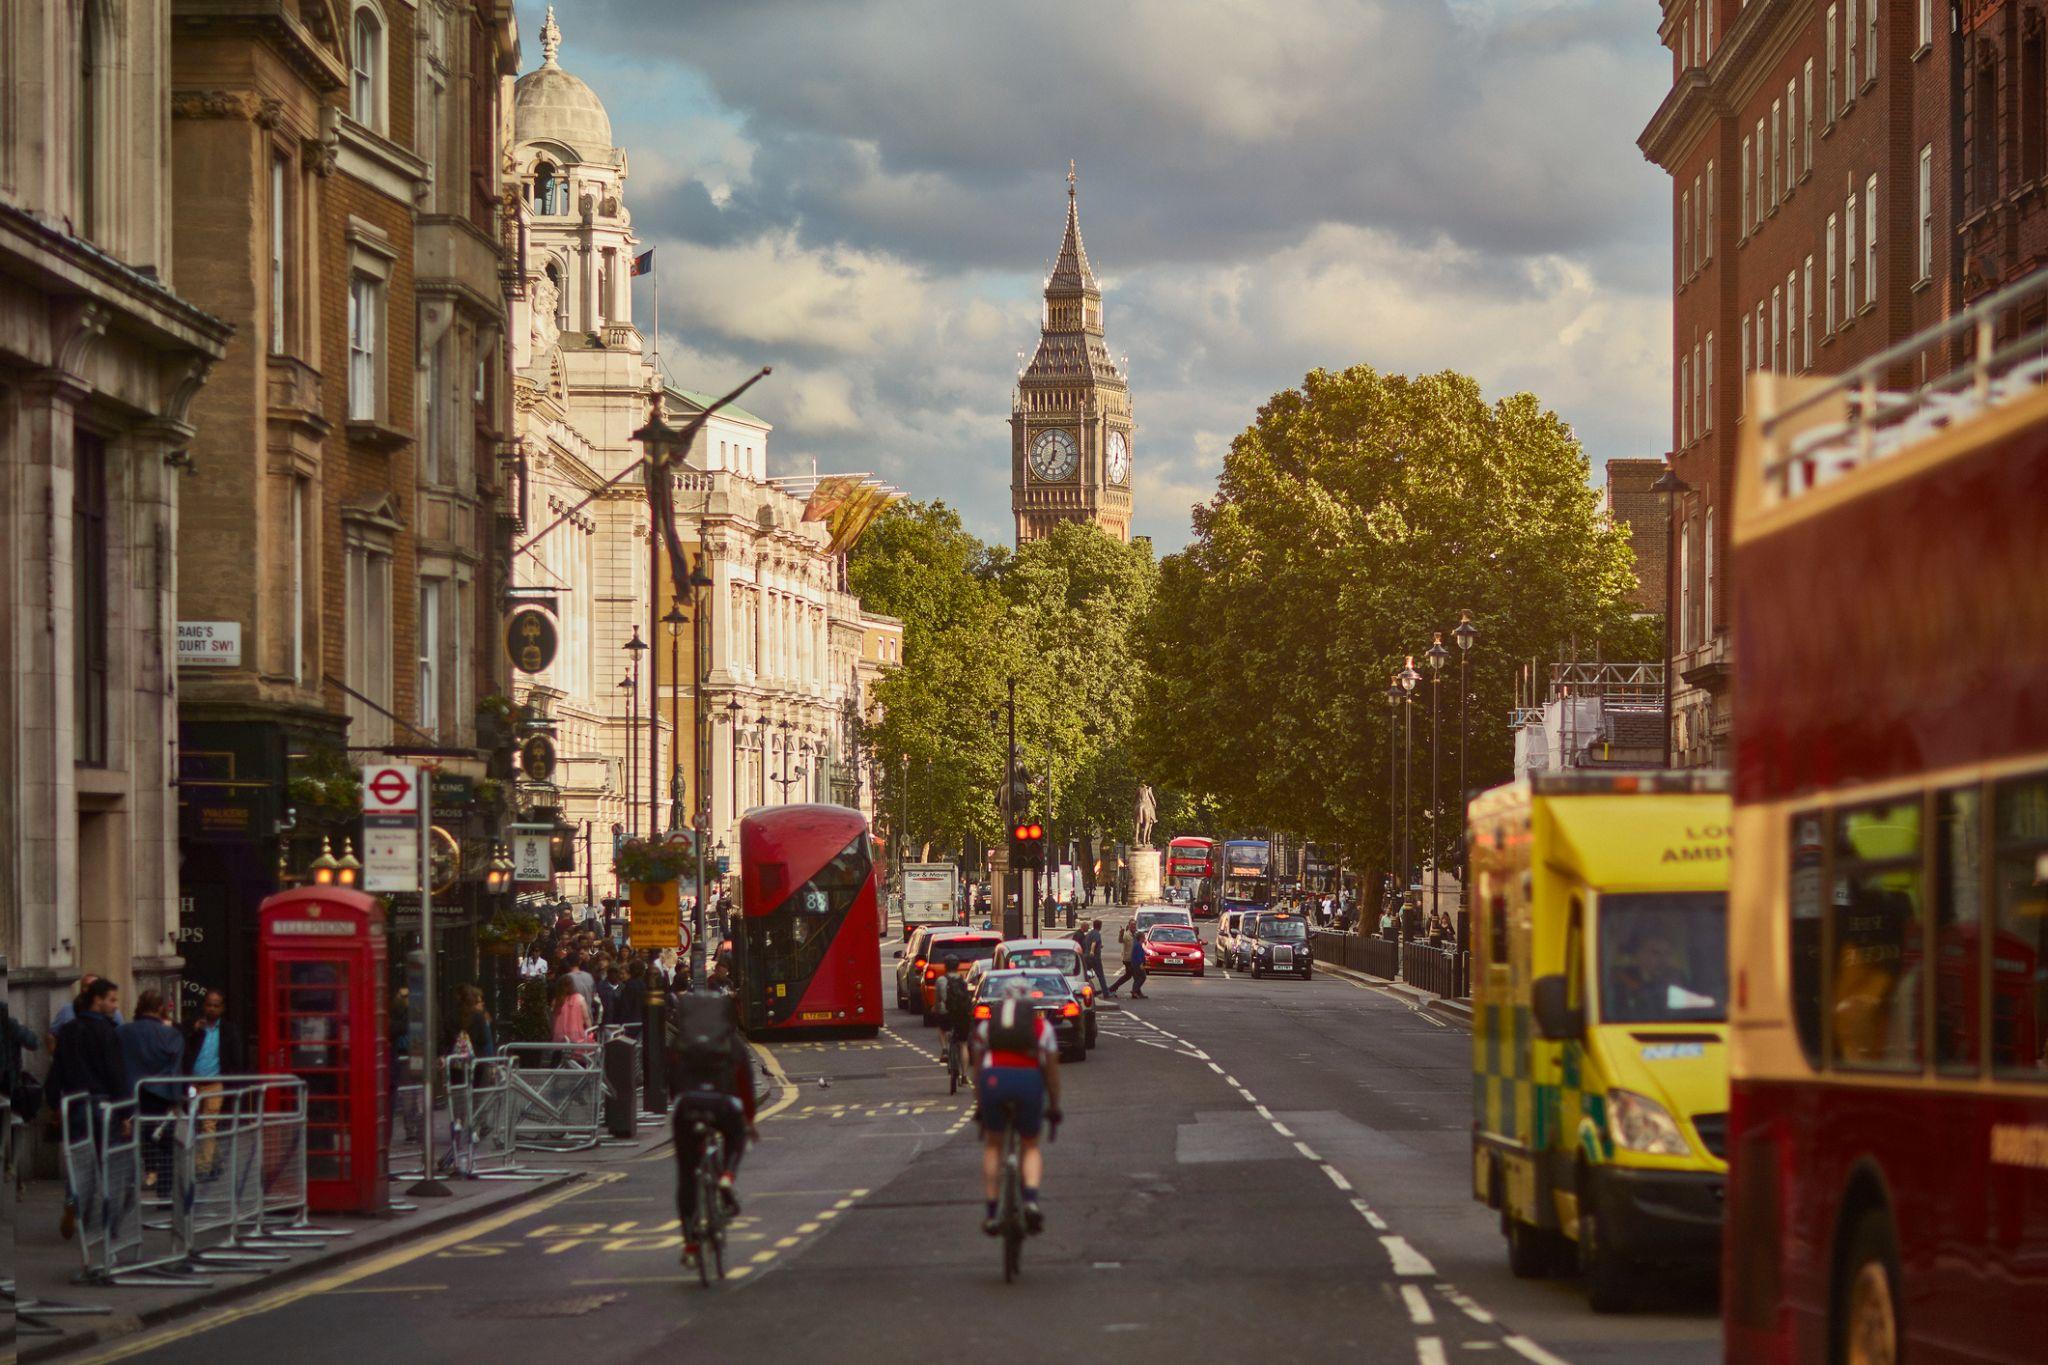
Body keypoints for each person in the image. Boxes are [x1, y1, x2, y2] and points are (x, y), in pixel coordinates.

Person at [668, 986, 758, 1267]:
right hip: (723, 1104)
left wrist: (681, 1100)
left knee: (686, 1175)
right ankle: (728, 1175)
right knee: (736, 1135)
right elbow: (746, 1085)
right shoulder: (732, 1042)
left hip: (688, 1106)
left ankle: (691, 1245)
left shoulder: (680, 1041)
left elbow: (669, 1079)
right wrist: (750, 1120)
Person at [972, 983, 1062, 1235]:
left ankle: (991, 1213)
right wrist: (1054, 1105)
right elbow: (1052, 1072)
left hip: (994, 1081)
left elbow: (977, 1071)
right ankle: (1030, 1200)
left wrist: (981, 1105)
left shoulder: (986, 1027)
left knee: (993, 1145)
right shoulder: (1042, 1027)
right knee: (1030, 1144)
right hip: (1028, 1081)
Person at [49, 978, 128, 1240]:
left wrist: (54, 1106)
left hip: (74, 1103)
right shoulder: (107, 1031)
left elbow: (56, 1071)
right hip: (103, 1102)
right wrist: (126, 1111)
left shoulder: (69, 1030)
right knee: (110, 1165)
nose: (115, 1006)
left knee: (79, 1162)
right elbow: (116, 1073)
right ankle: (108, 1225)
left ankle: (74, 1204)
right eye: (112, 1000)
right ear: (98, 1000)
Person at [934, 956, 972, 1079]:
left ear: (945, 966)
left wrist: (935, 1009)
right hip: (961, 1014)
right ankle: (965, 1075)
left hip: (947, 1013)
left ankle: (945, 1049)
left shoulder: (941, 980)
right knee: (963, 1044)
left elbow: (938, 999)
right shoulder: (963, 981)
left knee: (941, 1027)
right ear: (957, 966)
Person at [1105, 922, 1148, 999]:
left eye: (1135, 925)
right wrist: (1121, 933)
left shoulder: (1135, 935)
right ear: (1129, 926)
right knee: (1134, 976)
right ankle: (1114, 989)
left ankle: (1135, 991)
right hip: (1128, 959)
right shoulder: (1126, 934)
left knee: (1132, 976)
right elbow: (1121, 940)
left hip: (1133, 959)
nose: (1134, 927)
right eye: (1132, 925)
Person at [550, 973, 592, 1047]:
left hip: (559, 1036)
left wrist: (552, 1032)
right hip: (576, 1035)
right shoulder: (579, 998)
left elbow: (553, 1019)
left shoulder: (557, 1000)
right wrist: (590, 1030)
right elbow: (586, 1017)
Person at [454, 984, 496, 1058]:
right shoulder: (480, 1018)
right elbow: (485, 1041)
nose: (482, 1004)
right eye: (479, 1002)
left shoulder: (454, 1016)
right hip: (478, 1060)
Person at [1081, 919, 1110, 993]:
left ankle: (1084, 989)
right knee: (1100, 975)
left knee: (1083, 973)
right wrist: (1092, 951)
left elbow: (1089, 943)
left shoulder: (1089, 933)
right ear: (1100, 926)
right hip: (1094, 958)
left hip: (1086, 957)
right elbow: (1094, 943)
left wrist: (1099, 946)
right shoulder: (1097, 933)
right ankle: (1106, 992)